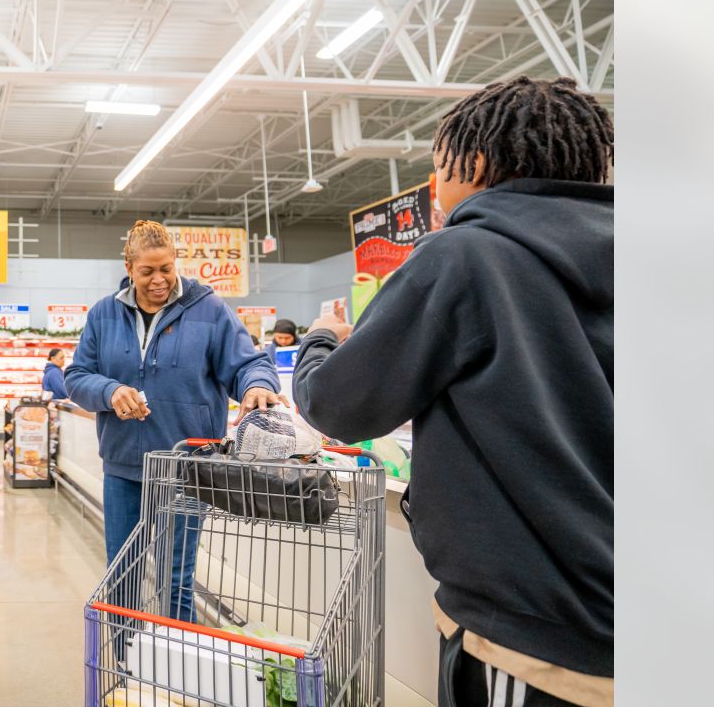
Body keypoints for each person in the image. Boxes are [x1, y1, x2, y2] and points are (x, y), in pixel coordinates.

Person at [291, 76, 613, 707]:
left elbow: (339, 404)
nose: (434, 190)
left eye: (438, 168)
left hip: (534, 638)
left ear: (478, 163)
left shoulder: (465, 257)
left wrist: (322, 340)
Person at [65, 220, 280, 622]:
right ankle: (128, 668)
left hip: (187, 469)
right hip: (124, 469)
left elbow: (247, 363)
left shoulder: (208, 310)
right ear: (129, 267)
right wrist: (110, 391)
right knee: (123, 577)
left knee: (176, 579)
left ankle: (176, 673)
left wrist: (257, 385)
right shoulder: (104, 315)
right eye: (147, 271)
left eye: (166, 268)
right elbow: (76, 377)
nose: (159, 280)